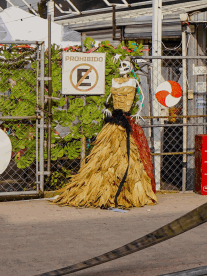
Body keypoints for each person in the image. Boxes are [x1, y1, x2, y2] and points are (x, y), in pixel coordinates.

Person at [54, 59, 157, 209]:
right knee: (104, 154)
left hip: (125, 120)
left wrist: (138, 112)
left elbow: (141, 99)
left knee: (127, 156)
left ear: (130, 68)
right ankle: (101, 189)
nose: (121, 68)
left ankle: (127, 190)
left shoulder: (134, 82)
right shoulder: (114, 81)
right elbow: (108, 100)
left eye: (125, 66)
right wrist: (105, 109)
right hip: (113, 120)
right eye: (120, 65)